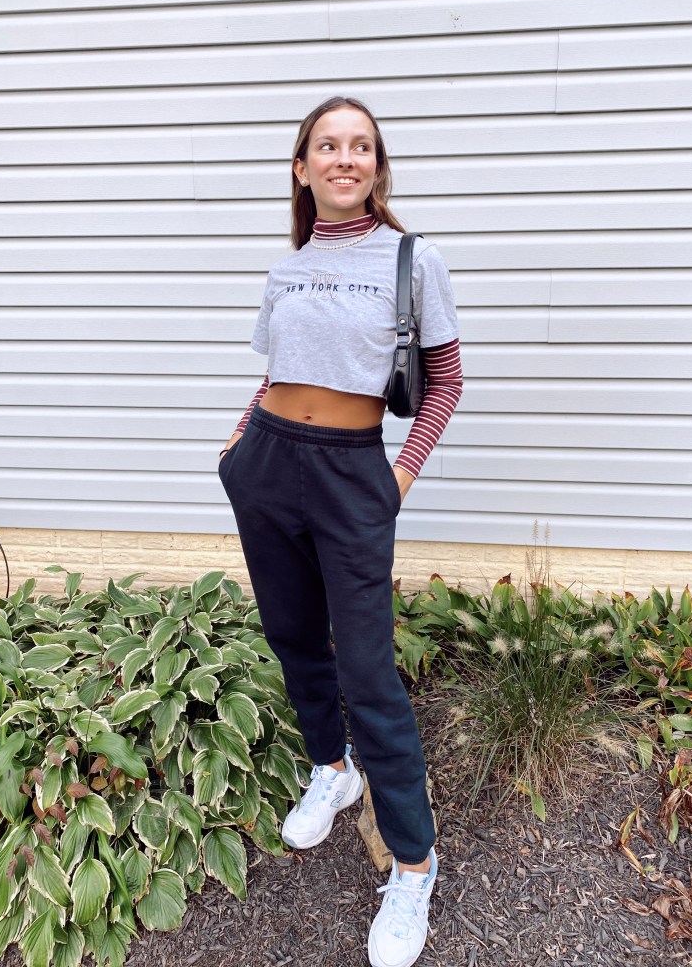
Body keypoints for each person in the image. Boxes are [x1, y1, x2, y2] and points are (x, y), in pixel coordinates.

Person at [218, 95, 462, 967]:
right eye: (328, 145)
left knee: (369, 671)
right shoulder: (287, 269)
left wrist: (397, 480)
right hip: (268, 466)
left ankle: (414, 864)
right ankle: (332, 768)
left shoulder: (412, 260)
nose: (345, 158)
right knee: (292, 636)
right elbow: (277, 373)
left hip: (354, 473)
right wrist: (239, 446)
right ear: (303, 167)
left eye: (361, 146)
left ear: (377, 167)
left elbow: (445, 383)